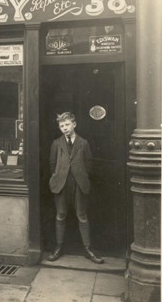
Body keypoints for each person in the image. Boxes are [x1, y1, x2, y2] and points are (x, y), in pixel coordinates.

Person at [48, 112, 103, 264]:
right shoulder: (56, 143)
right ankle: (58, 247)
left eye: (67, 125)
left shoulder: (83, 143)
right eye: (61, 126)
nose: (64, 128)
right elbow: (52, 164)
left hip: (79, 184)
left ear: (74, 124)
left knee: (82, 215)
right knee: (61, 214)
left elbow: (89, 164)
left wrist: (81, 176)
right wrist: (58, 176)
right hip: (61, 184)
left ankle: (88, 248)